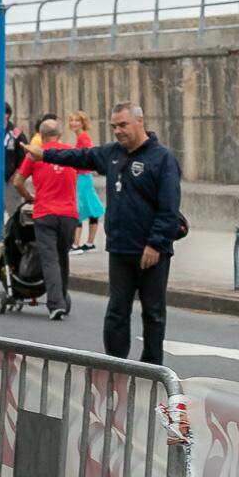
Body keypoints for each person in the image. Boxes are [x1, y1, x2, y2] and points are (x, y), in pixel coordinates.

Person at [25, 102, 182, 365]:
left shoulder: (162, 158)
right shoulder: (113, 154)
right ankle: (115, 365)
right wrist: (44, 155)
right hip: (120, 248)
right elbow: (80, 157)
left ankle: (152, 367)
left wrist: (156, 243)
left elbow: (169, 208)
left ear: (139, 122)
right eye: (114, 127)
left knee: (153, 313)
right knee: (117, 311)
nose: (118, 131)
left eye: (123, 125)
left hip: (151, 252)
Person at [13, 114, 80, 320]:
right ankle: (62, 296)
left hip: (44, 213)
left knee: (49, 259)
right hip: (69, 214)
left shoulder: (35, 154)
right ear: (60, 134)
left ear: (40, 137)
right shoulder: (72, 153)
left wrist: (29, 197)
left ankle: (56, 303)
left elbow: (17, 181)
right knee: (63, 257)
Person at [68, 111, 104, 251]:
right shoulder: (81, 137)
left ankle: (76, 244)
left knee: (78, 209)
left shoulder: (83, 138)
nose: (73, 123)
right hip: (84, 177)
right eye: (71, 120)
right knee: (91, 208)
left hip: (81, 177)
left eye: (77, 120)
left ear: (83, 123)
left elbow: (88, 156)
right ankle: (89, 243)